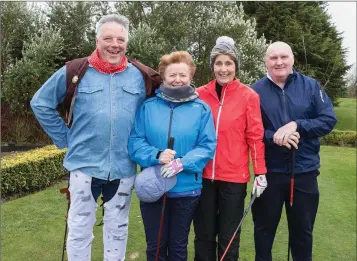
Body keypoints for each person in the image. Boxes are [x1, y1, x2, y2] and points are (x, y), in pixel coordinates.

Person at [31, 14, 161, 261]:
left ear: (127, 42)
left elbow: (165, 102)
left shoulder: (141, 75)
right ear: (97, 39)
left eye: (120, 39)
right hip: (84, 166)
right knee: (79, 229)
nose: (115, 44)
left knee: (118, 230)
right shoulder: (75, 71)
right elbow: (40, 103)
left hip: (123, 167)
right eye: (108, 38)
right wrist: (65, 138)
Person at [250, 41, 337, 261]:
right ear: (266, 62)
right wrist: (275, 136)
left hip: (304, 172)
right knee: (263, 232)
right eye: (273, 58)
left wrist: (297, 125)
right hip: (269, 173)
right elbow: (251, 130)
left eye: (284, 57)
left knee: (302, 234)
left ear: (292, 59)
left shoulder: (310, 86)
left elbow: (328, 119)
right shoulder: (254, 91)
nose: (279, 62)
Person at [128, 50, 217, 261]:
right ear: (164, 77)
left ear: (191, 77)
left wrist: (183, 163)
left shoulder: (201, 109)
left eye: (182, 75)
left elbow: (207, 146)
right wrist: (156, 155)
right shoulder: (148, 107)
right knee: (156, 247)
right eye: (172, 75)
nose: (177, 80)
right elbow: (135, 142)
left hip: (186, 190)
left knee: (178, 247)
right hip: (153, 188)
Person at [193, 36, 268, 261]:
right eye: (218, 63)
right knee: (204, 234)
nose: (223, 69)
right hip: (203, 175)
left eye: (228, 63)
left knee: (229, 237)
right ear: (212, 66)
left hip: (234, 178)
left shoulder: (249, 96)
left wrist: (260, 172)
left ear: (236, 66)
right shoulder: (199, 94)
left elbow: (255, 137)